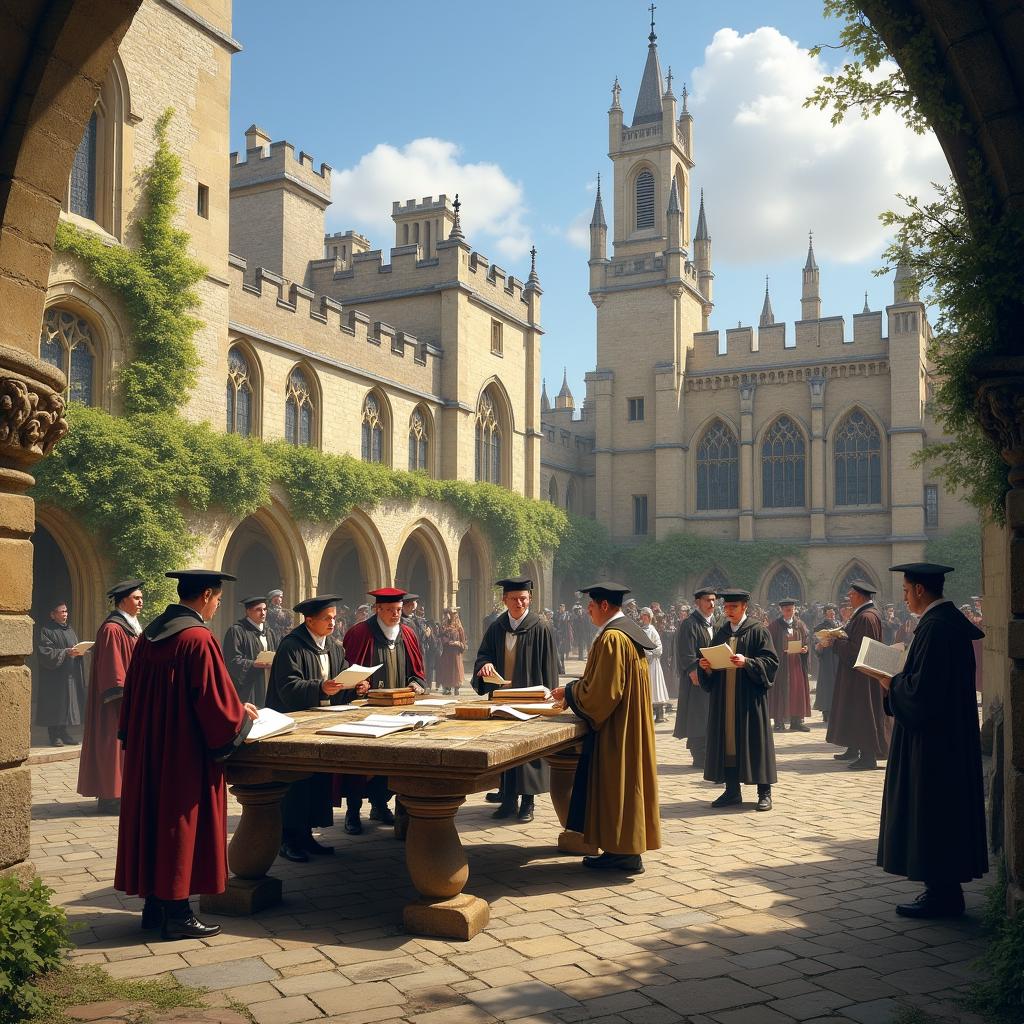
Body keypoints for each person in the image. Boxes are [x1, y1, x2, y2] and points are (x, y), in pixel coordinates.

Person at [115, 569, 258, 940]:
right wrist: (241, 714)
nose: (216, 607)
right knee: (179, 824)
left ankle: (154, 906)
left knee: (154, 821)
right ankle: (177, 912)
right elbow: (213, 703)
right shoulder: (197, 638)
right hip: (183, 754)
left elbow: (132, 694)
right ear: (206, 594)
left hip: (151, 750)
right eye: (218, 600)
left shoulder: (149, 635)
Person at [877, 563, 987, 918]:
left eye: (907, 590)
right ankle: (942, 889)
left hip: (936, 744)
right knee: (942, 813)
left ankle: (942, 894)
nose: (905, 596)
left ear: (921, 590)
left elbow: (924, 693)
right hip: (947, 738)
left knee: (935, 812)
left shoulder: (936, 628)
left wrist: (891, 683)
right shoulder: (942, 625)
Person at [551, 582, 659, 873]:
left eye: (590, 606)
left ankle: (624, 853)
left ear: (604, 606)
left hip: (616, 728)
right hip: (626, 721)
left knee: (617, 784)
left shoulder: (613, 638)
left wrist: (571, 692)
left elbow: (604, 693)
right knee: (623, 786)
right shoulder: (628, 633)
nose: (587, 612)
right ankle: (620, 849)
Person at [267, 594, 370, 861]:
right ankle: (288, 839)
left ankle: (307, 836)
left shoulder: (334, 646)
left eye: (335, 618)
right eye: (327, 618)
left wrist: (356, 687)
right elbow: (287, 688)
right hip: (295, 728)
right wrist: (319, 687)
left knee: (317, 782)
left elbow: (341, 687)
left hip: (323, 725)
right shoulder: (292, 646)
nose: (333, 623)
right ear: (309, 620)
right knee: (296, 784)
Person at [340, 588, 426, 834]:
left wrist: (415, 684)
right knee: (360, 764)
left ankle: (380, 805)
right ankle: (353, 812)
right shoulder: (360, 634)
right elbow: (346, 671)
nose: (395, 615)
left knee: (395, 762)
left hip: (399, 711)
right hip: (365, 712)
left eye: (399, 610)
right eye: (390, 610)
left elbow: (417, 671)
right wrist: (357, 687)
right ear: (378, 609)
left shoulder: (408, 634)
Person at [474, 577, 558, 823]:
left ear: (530, 599)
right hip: (502, 699)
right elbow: (483, 655)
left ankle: (528, 803)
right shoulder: (497, 627)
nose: (519, 603)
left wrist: (550, 696)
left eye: (523, 598)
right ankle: (508, 800)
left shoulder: (540, 627)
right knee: (505, 750)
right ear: (505, 600)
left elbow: (550, 665)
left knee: (529, 751)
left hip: (530, 698)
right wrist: (485, 665)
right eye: (514, 598)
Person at [698, 588, 778, 811]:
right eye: (726, 607)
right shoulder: (721, 633)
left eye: (733, 607)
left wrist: (748, 662)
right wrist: (705, 667)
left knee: (755, 742)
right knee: (729, 743)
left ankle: (764, 792)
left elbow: (771, 663)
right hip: (725, 699)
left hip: (749, 699)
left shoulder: (758, 630)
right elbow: (712, 660)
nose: (728, 611)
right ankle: (732, 791)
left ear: (744, 607)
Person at [77, 579, 143, 815]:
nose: (141, 602)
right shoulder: (113, 629)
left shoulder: (129, 627)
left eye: (141, 597)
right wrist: (125, 696)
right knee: (112, 747)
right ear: (123, 601)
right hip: (115, 703)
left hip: (130, 698)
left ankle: (122, 793)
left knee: (123, 749)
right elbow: (113, 670)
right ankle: (110, 797)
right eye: (136, 598)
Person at [823, 580, 890, 771]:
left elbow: (857, 650)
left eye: (851, 595)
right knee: (853, 710)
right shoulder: (863, 615)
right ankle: (853, 748)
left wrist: (835, 642)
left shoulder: (866, 617)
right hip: (857, 673)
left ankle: (867, 756)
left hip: (862, 676)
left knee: (863, 712)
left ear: (860, 596)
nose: (849, 598)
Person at [673, 588, 718, 769]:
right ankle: (699, 755)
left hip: (712, 677)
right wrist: (694, 672)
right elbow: (686, 652)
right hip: (698, 679)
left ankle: (709, 752)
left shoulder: (713, 623)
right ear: (697, 602)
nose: (712, 604)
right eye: (707, 600)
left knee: (709, 715)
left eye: (714, 600)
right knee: (697, 716)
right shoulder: (690, 624)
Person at [36, 600, 87, 747]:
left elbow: (74, 647)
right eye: (61, 611)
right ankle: (54, 735)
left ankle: (64, 733)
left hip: (70, 674)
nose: (65, 614)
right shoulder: (46, 631)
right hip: (54, 676)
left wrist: (80, 651)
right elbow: (45, 652)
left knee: (68, 704)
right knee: (55, 705)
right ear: (52, 615)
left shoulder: (69, 629)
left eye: (66, 611)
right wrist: (65, 652)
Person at [223, 596, 280, 706]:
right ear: (248, 611)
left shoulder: (269, 632)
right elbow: (232, 661)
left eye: (265, 609)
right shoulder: (237, 631)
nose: (263, 613)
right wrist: (253, 664)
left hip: (268, 684)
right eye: (258, 610)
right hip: (250, 688)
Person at [767, 600, 811, 732]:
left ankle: (796, 721)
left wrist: (805, 649)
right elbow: (768, 644)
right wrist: (780, 651)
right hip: (781, 665)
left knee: (796, 691)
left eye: (791, 609)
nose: (789, 612)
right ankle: (779, 721)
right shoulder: (774, 626)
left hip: (796, 664)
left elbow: (806, 641)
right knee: (780, 691)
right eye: (786, 609)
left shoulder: (800, 625)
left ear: (795, 609)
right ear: (781, 610)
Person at [640, 607, 670, 723]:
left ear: (650, 617)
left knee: (654, 686)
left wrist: (649, 653)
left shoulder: (652, 630)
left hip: (652, 663)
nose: (643, 618)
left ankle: (659, 714)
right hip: (644, 662)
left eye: (646, 616)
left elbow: (659, 648)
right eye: (642, 615)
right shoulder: (641, 629)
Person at [812, 604, 840, 724]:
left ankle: (837, 711)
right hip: (827, 658)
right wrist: (819, 646)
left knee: (837, 684)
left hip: (838, 657)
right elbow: (815, 644)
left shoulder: (840, 625)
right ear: (825, 614)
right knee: (827, 685)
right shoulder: (819, 627)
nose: (832, 614)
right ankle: (826, 712)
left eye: (833, 612)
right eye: (829, 612)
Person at [438, 608, 467, 695]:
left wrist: (458, 643)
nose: (449, 616)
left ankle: (456, 687)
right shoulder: (443, 627)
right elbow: (440, 638)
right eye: (448, 614)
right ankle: (447, 688)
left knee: (456, 670)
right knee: (447, 669)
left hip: (456, 654)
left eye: (451, 614)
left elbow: (463, 643)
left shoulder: (459, 628)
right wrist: (447, 641)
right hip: (447, 653)